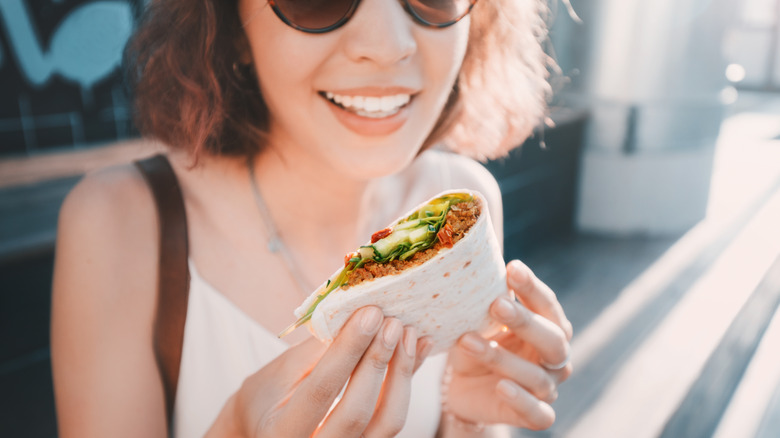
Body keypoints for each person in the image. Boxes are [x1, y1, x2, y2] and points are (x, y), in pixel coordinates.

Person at [51, 0, 573, 436]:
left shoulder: (463, 202)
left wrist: (464, 420)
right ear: (231, 26)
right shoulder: (119, 223)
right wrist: (234, 427)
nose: (388, 44)